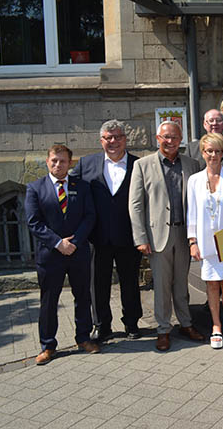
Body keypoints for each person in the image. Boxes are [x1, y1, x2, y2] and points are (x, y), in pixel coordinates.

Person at [129, 121, 204, 352]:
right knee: (161, 285)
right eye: (165, 137)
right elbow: (135, 204)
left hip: (184, 233)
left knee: (181, 284)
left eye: (174, 137)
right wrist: (140, 237)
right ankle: (163, 329)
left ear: (180, 139)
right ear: (157, 138)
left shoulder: (191, 164)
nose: (170, 141)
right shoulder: (143, 165)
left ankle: (186, 323)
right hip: (157, 235)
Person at [25, 144, 99, 365]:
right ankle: (48, 346)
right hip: (50, 255)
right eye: (54, 160)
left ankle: (84, 338)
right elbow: (33, 222)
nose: (58, 164)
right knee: (49, 302)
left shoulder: (82, 187)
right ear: (47, 161)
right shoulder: (35, 188)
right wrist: (58, 243)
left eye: (63, 161)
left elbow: (90, 217)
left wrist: (74, 242)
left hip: (78, 252)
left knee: (83, 297)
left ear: (70, 163)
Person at [70, 120, 142, 342]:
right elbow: (72, 192)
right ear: (101, 141)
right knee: (98, 283)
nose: (113, 141)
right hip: (96, 237)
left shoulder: (139, 164)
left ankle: (132, 323)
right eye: (108, 138)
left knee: (130, 281)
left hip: (129, 235)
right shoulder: (86, 164)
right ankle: (102, 326)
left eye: (117, 137)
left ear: (125, 139)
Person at [187, 133, 223, 349]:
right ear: (203, 153)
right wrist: (192, 241)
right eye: (209, 151)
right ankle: (216, 326)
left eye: (217, 151)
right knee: (212, 284)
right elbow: (191, 213)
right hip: (205, 241)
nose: (213, 155)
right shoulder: (194, 180)